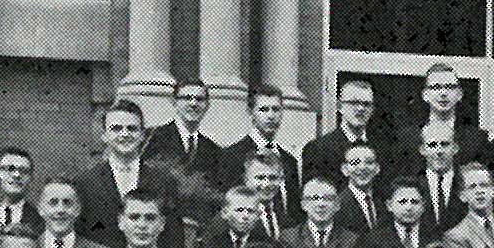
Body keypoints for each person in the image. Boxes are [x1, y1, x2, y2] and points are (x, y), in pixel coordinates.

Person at [68, 101, 179, 248]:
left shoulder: (164, 181)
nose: (125, 134)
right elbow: (78, 236)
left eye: (132, 129)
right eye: (116, 128)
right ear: (105, 136)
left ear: (142, 135)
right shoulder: (84, 182)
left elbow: (173, 237)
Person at [229, 84, 304, 220]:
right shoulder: (233, 155)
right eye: (264, 109)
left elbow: (294, 211)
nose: (271, 116)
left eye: (276, 109)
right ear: (251, 112)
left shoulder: (289, 160)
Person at [301, 77, 388, 188]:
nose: (360, 108)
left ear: (372, 110)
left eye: (366, 104)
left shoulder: (382, 148)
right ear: (339, 106)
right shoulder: (318, 149)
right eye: (353, 102)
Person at [143, 79, 230, 190]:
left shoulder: (212, 149)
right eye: (187, 98)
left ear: (207, 105)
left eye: (199, 99)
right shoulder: (156, 137)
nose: (193, 103)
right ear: (174, 102)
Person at [33, 178, 112, 248]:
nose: (60, 210)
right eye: (53, 203)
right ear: (40, 209)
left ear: (78, 210)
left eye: (67, 203)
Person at [413, 122, 469, 237]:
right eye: (432, 145)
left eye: (444, 144)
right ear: (422, 150)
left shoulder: (467, 182)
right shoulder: (413, 184)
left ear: (455, 148)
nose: (439, 151)